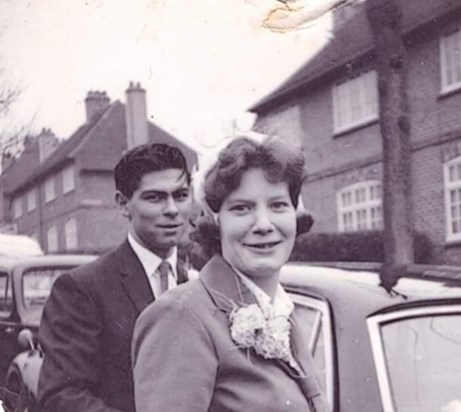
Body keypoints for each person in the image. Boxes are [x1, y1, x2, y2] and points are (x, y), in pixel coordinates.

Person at [132, 136, 328, 412]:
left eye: (278, 205)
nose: (263, 224)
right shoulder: (181, 316)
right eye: (241, 208)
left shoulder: (282, 312)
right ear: (216, 220)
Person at [38, 143, 194, 412]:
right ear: (123, 204)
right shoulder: (82, 288)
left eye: (180, 195)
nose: (172, 209)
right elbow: (60, 396)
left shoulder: (200, 279)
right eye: (155, 197)